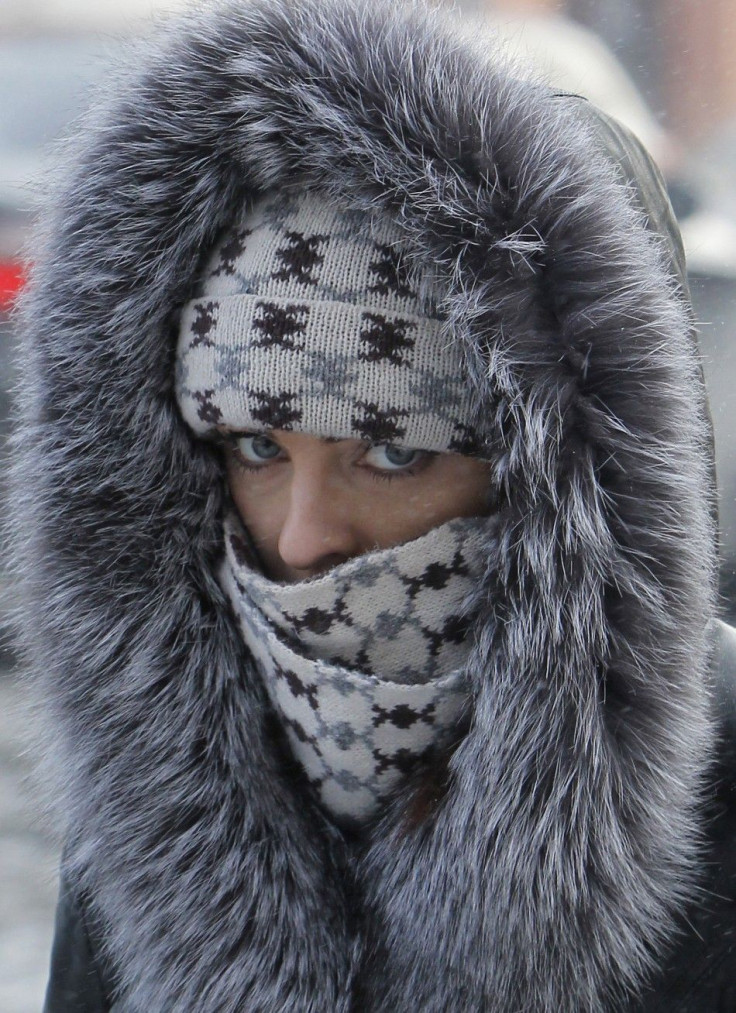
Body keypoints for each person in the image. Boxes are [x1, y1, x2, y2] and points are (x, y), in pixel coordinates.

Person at [11, 0, 735, 1009]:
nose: (303, 537)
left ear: (557, 478)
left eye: (391, 453)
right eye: (257, 448)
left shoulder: (720, 776)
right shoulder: (159, 790)